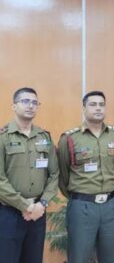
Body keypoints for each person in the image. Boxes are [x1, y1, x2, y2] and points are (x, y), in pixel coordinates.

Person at [57, 91, 114, 263]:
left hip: (110, 207)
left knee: (109, 257)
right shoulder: (70, 138)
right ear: (84, 108)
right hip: (82, 207)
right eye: (93, 104)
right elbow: (63, 176)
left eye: (101, 104)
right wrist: (81, 195)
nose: (98, 108)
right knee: (79, 257)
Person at [0, 87, 59, 263]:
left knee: (34, 259)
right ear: (14, 106)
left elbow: (54, 174)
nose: (30, 106)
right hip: (9, 213)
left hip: (38, 213)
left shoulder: (45, 137)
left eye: (34, 102)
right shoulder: (3, 137)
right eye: (25, 101)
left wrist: (42, 203)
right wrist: (24, 206)